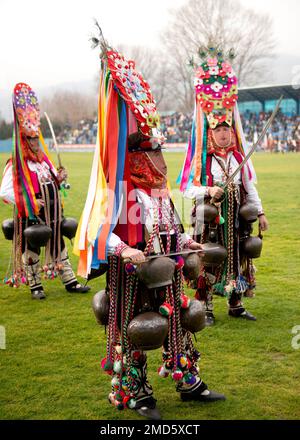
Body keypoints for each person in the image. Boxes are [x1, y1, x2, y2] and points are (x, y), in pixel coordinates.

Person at [74, 34, 225, 420]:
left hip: (166, 271)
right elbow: (97, 232)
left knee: (178, 322)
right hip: (132, 275)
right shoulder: (119, 191)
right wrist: (124, 249)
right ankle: (136, 390)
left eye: (158, 151)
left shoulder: (158, 194)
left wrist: (187, 241)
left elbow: (170, 226)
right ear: (135, 157)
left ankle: (187, 379)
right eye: (150, 152)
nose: (158, 160)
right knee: (136, 330)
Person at [178, 47, 268, 325]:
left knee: (239, 257)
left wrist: (261, 213)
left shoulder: (239, 157)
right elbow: (184, 189)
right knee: (210, 259)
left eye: (227, 129)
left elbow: (249, 187)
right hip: (212, 222)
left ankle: (236, 304)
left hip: (238, 221)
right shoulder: (201, 161)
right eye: (218, 130)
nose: (224, 133)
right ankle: (205, 308)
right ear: (210, 132)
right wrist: (208, 191)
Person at [0, 82, 90, 299]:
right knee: (32, 249)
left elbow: (51, 183)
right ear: (23, 140)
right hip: (32, 215)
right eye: (31, 139)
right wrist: (30, 203)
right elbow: (4, 192)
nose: (35, 142)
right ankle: (35, 286)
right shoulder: (17, 164)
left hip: (53, 213)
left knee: (58, 245)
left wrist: (59, 178)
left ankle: (70, 281)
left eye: (36, 138)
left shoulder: (44, 161)